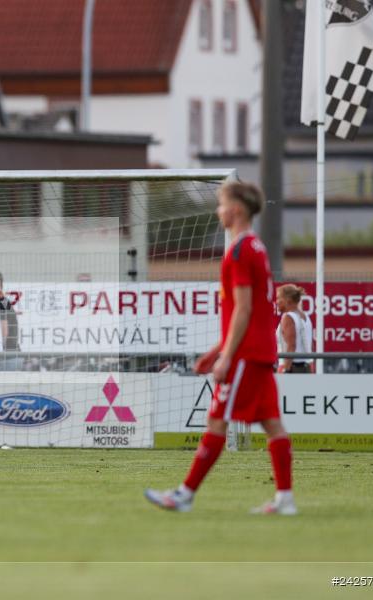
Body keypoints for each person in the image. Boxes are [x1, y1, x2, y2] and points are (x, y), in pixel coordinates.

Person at [144, 181, 296, 515]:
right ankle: (285, 499)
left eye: (221, 204)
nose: (218, 211)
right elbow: (248, 312)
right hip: (259, 351)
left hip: (245, 355)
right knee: (272, 424)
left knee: (216, 421)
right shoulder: (256, 247)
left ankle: (184, 495)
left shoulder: (239, 251)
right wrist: (215, 352)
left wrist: (226, 356)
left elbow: (243, 309)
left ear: (236, 210)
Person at [276, 284, 313, 374]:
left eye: (279, 298)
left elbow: (291, 346)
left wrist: (285, 369)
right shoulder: (305, 316)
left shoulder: (288, 317)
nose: (276, 302)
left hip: (292, 368)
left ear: (288, 300)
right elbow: (309, 345)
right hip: (305, 366)